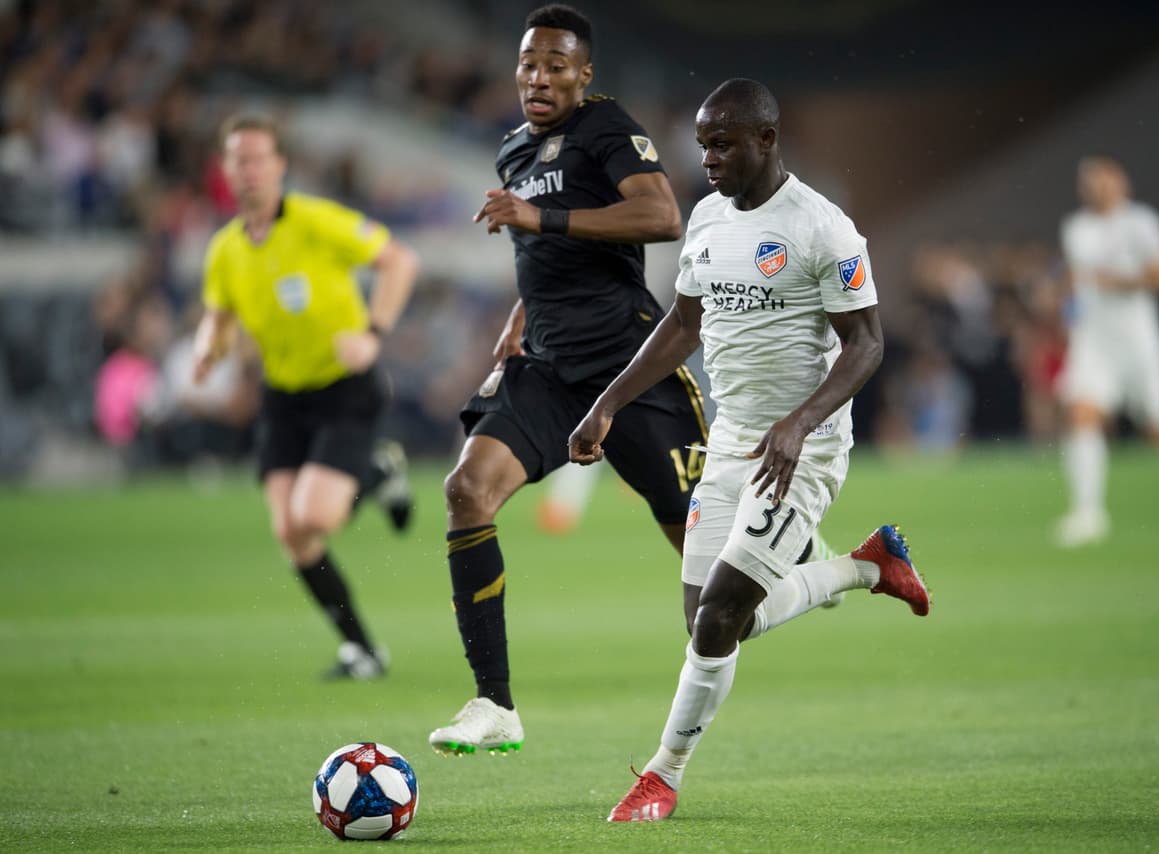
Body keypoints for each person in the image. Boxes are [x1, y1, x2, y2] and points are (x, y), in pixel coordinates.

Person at [567, 78, 931, 822]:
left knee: (718, 618)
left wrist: (800, 422)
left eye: (723, 144)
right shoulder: (706, 219)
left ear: (767, 140)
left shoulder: (823, 228)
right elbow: (683, 325)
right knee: (711, 620)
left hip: (803, 449)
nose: (708, 159)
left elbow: (867, 344)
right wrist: (607, 404)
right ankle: (866, 566)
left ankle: (662, 775)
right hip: (730, 441)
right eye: (703, 145)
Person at [427, 3, 709, 756]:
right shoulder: (514, 151)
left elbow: (662, 216)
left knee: (718, 576)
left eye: (556, 65)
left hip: (630, 366)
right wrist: (521, 313)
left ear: (585, 76)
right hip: (549, 369)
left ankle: (847, 568)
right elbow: (546, 251)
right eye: (529, 64)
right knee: (467, 490)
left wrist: (540, 219)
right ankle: (494, 703)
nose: (539, 78)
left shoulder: (605, 127)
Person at [193, 113, 420, 678]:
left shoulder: (315, 221)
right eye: (237, 160)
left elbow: (399, 261)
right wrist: (207, 349)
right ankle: (362, 651)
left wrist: (373, 333)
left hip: (344, 389)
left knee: (314, 515)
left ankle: (378, 472)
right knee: (291, 534)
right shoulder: (224, 250)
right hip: (283, 396)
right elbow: (219, 318)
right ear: (225, 170)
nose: (247, 170)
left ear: (279, 166)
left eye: (257, 159)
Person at [1054, 156, 1159, 548]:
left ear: (1121, 183)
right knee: (1081, 413)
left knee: (1156, 427)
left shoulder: (1141, 222)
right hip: (1093, 341)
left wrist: (1121, 281)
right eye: (1088, 182)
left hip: (1137, 342)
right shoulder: (1076, 228)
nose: (1095, 188)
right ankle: (1089, 514)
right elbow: (1078, 283)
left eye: (1102, 180)